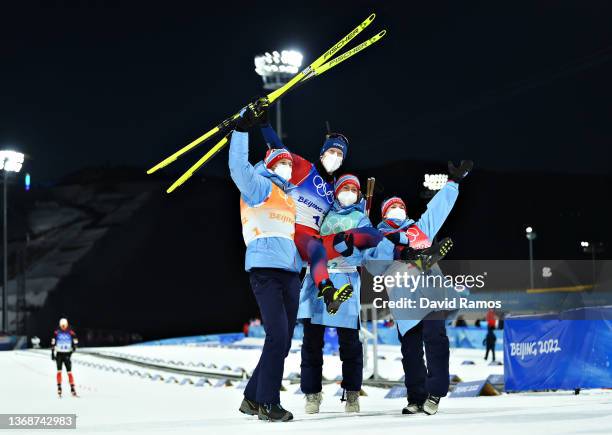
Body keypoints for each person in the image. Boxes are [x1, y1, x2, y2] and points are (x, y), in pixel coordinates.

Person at [366, 160, 472, 416]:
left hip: (430, 294)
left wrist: (453, 184)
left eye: (401, 207)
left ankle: (435, 392)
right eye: (393, 208)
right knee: (411, 350)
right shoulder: (375, 237)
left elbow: (438, 210)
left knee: (436, 340)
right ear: (384, 214)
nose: (398, 210)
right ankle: (416, 397)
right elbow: (372, 265)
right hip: (403, 299)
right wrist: (398, 249)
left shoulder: (418, 229)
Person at [260, 121, 384, 307]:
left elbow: (344, 210)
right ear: (322, 153)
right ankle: (328, 291)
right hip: (296, 233)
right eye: (331, 152)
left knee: (370, 235)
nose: (335, 157)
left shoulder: (334, 186)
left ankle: (407, 255)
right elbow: (278, 148)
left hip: (316, 240)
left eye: (339, 154)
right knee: (317, 248)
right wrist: (264, 124)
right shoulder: (304, 168)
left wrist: (361, 204)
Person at [230, 103, 300, 422]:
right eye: (282, 162)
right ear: (271, 164)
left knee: (283, 341)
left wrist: (266, 128)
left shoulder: (287, 195)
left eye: (289, 163)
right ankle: (268, 403)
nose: (288, 165)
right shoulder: (259, 186)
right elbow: (238, 169)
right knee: (277, 336)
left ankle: (251, 398)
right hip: (265, 271)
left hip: (289, 273)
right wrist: (243, 130)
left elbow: (284, 152)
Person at [298, 174, 368, 414]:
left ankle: (352, 393)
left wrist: (351, 252)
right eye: (344, 187)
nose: (348, 191)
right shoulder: (323, 213)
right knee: (311, 341)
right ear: (336, 191)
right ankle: (312, 393)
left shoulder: (361, 218)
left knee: (349, 343)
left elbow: (366, 255)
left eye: (353, 189)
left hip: (346, 277)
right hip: (317, 278)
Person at [51, 317, 78, 397]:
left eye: (64, 325)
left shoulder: (70, 332)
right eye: (62, 325)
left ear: (67, 324)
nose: (63, 327)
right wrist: (52, 352)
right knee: (59, 371)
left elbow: (75, 339)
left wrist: (74, 346)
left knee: (69, 372)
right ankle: (59, 387)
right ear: (60, 325)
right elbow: (53, 342)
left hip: (67, 354)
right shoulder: (56, 332)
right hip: (59, 354)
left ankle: (72, 388)